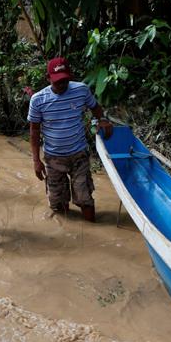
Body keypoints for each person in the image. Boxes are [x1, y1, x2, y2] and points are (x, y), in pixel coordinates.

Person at [28, 57, 113, 222]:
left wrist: (101, 119)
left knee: (85, 199)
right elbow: (34, 131)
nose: (62, 85)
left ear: (70, 76)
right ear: (48, 78)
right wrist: (36, 160)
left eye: (65, 81)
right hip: (53, 158)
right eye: (57, 82)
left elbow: (95, 107)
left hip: (78, 155)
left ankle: (91, 234)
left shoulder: (81, 90)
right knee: (58, 204)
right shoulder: (38, 100)